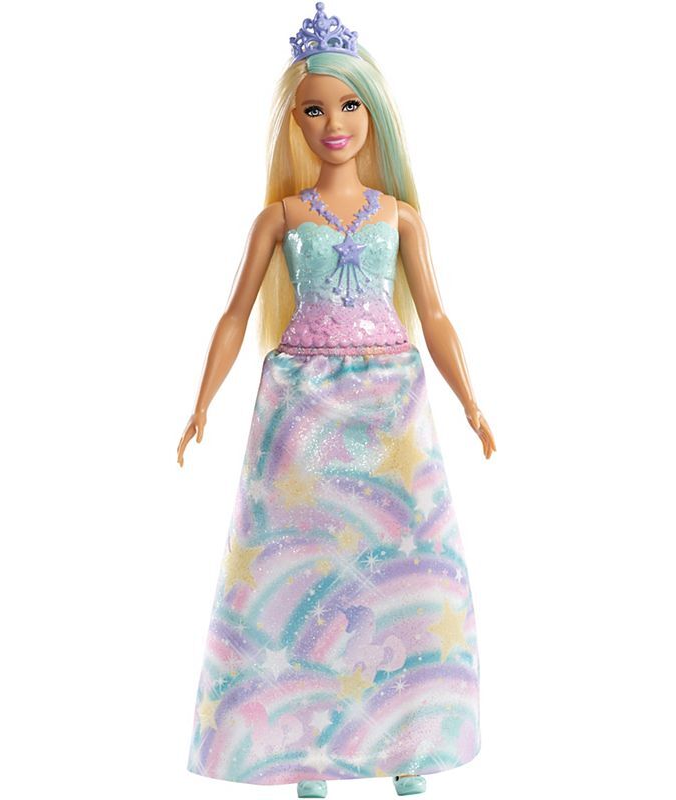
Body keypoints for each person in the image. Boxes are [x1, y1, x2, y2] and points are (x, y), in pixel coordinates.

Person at [177, 3, 496, 796]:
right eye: (315, 109)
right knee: (301, 573)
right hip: (302, 403)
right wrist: (202, 403)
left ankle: (411, 740)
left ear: (372, 112)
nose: (334, 123)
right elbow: (234, 315)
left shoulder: (400, 217)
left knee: (410, 568)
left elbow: (436, 316)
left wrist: (472, 403)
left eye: (349, 104)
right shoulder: (281, 218)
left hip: (391, 403)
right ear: (296, 120)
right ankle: (306, 752)